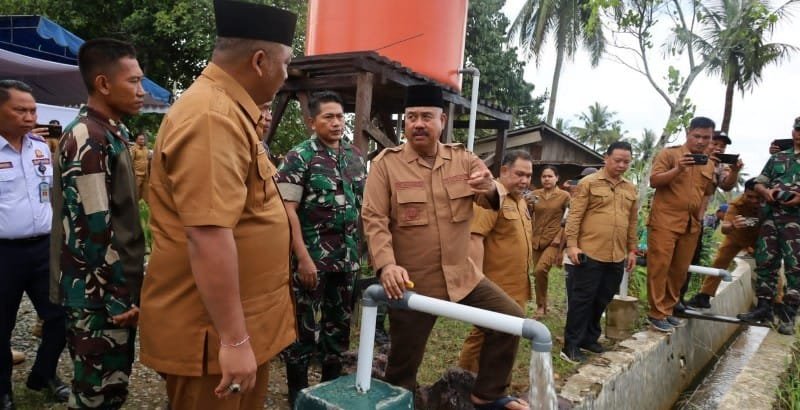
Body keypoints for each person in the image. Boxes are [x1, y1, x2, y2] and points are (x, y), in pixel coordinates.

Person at [138, 2, 298, 409]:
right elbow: (208, 234)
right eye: (286, 63)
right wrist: (235, 340)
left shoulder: (229, 111)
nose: (286, 75)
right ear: (260, 61)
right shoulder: (212, 116)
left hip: (235, 323)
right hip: (210, 333)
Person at [362, 84, 529, 410]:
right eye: (411, 118)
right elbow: (374, 219)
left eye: (426, 116)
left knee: (509, 320)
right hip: (412, 283)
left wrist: (490, 188)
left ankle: (487, 395)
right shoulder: (386, 165)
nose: (418, 124)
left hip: (461, 275)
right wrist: (386, 265)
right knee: (402, 367)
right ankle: (403, 401)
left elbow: (491, 191)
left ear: (442, 120)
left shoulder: (463, 160)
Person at [50, 38, 146, 409]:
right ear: (104, 84)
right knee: (97, 394)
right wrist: (119, 294)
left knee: (113, 388)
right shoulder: (88, 137)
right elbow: (94, 227)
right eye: (133, 82)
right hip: (99, 296)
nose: (141, 91)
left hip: (106, 292)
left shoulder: (108, 132)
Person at [276, 91, 366, 404]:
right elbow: (287, 211)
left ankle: (327, 397)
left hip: (347, 263)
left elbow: (361, 206)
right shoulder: (298, 157)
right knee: (302, 333)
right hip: (311, 262)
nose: (336, 122)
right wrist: (302, 258)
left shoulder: (354, 156)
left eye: (340, 116)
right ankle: (298, 399)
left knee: (337, 333)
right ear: (311, 121)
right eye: (328, 116)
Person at [0, 80, 68, 410]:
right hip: (4, 253)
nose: (30, 116)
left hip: (43, 249)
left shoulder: (41, 147)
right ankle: (3, 391)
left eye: (33, 110)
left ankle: (43, 375)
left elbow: (52, 193)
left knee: (60, 317)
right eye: (20, 110)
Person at [457, 150, 534, 373]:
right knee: (483, 335)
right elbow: (475, 238)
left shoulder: (519, 201)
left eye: (529, 175)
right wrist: (478, 281)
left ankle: (494, 385)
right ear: (504, 171)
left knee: (506, 335)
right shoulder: (493, 198)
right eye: (520, 174)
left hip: (517, 285)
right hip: (496, 285)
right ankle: (464, 380)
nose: (525, 180)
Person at [562, 141, 638, 363]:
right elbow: (574, 217)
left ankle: (589, 338)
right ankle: (571, 345)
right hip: (589, 251)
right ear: (606, 158)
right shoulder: (588, 183)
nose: (622, 165)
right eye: (617, 160)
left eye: (626, 161)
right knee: (582, 299)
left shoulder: (630, 189)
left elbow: (632, 222)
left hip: (616, 255)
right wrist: (572, 245)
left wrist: (631, 250)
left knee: (602, 298)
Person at [646, 116, 717, 333]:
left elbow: (706, 193)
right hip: (665, 220)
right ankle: (656, 313)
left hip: (691, 224)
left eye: (706, 137)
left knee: (679, 271)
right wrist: (678, 169)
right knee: (660, 266)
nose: (701, 141)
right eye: (697, 136)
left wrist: (700, 216)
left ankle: (667, 309)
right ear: (688, 133)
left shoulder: (709, 163)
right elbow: (654, 181)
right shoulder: (670, 154)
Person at [737, 116, 800, 334]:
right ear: (793, 132)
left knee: (795, 267)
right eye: (797, 130)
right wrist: (766, 192)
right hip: (772, 217)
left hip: (796, 221)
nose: (799, 134)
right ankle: (763, 308)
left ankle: (789, 316)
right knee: (766, 261)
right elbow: (759, 181)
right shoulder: (779, 157)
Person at [686, 179, 763, 309]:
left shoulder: (770, 205)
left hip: (759, 240)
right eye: (750, 197)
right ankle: (704, 295)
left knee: (769, 267)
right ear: (744, 194)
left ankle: (776, 303)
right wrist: (733, 225)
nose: (754, 201)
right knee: (719, 262)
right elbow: (724, 228)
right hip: (735, 237)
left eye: (758, 198)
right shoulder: (736, 204)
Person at [529, 165, 570, 317]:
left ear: (557, 178)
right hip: (536, 240)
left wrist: (560, 238)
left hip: (554, 241)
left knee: (540, 270)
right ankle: (542, 305)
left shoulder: (564, 196)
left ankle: (540, 307)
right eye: (544, 176)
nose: (546, 179)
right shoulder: (535, 194)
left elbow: (568, 218)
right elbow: (527, 213)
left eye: (550, 176)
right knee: (537, 273)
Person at [129, 133, 150, 203]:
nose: (142, 141)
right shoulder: (133, 149)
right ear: (136, 140)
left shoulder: (145, 148)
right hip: (137, 175)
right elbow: (130, 162)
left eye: (143, 139)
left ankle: (144, 206)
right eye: (140, 139)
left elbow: (148, 159)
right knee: (136, 193)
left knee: (146, 193)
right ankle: (134, 207)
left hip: (145, 175)